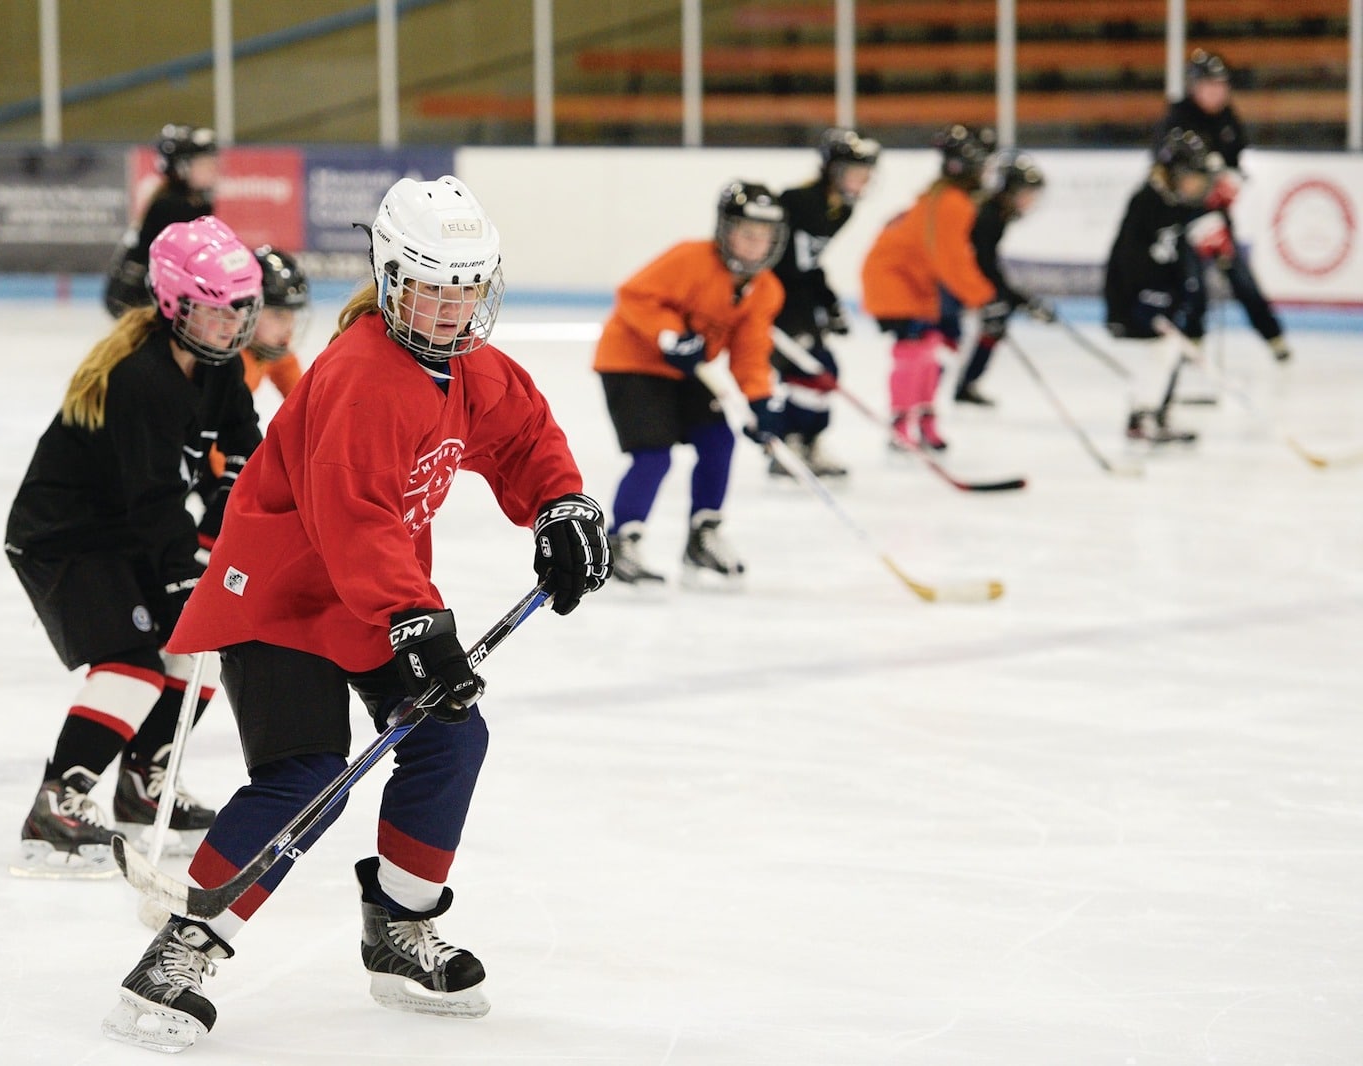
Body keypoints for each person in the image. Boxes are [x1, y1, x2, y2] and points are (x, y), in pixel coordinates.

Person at [100, 175, 610, 1050]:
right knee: (306, 777)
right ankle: (181, 950)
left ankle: (399, 929)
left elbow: (522, 434)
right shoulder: (361, 376)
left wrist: (560, 502)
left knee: (452, 736)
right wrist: (414, 616)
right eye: (429, 288)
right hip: (282, 597)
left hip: (370, 593)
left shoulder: (464, 365)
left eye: (465, 289)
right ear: (389, 277)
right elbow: (354, 518)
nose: (449, 309)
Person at [7, 216, 265, 878]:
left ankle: (142, 785)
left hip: (124, 531)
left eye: (240, 309)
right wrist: (185, 579)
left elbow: (245, 444)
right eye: (216, 311)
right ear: (176, 305)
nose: (232, 325)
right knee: (134, 663)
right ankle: (57, 803)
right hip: (66, 536)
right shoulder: (140, 378)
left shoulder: (217, 366)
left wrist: (232, 493)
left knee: (199, 651)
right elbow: (154, 503)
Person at [592, 181, 787, 589]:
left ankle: (704, 536)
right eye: (746, 233)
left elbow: (751, 352)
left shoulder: (766, 289)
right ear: (725, 229)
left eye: (763, 236)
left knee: (719, 440)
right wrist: (668, 334)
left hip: (689, 370)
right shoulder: (689, 259)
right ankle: (620, 541)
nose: (754, 245)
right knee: (654, 455)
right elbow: (635, 296)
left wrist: (759, 401)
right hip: (632, 362)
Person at [860, 125, 998, 451]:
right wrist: (982, 296)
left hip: (914, 286)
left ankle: (922, 417)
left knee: (936, 350)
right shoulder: (951, 202)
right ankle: (901, 422)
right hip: (897, 285)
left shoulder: (946, 198)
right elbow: (949, 259)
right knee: (915, 351)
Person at [1155, 49, 1290, 363]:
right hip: (1184, 217)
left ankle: (1274, 337)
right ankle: (1193, 341)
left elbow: (1237, 159)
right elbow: (1162, 172)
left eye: (1222, 86)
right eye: (1210, 85)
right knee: (1192, 282)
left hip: (1216, 213)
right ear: (1195, 86)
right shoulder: (1177, 118)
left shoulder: (1228, 117)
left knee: (1239, 276)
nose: (1217, 93)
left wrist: (1230, 181)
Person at [767, 127, 880, 479]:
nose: (861, 181)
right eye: (855, 173)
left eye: (866, 175)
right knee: (810, 367)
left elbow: (808, 264)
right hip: (773, 299)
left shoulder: (840, 210)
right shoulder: (796, 200)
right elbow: (774, 261)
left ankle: (805, 440)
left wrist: (828, 302)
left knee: (822, 370)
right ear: (833, 170)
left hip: (797, 299)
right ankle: (787, 445)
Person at [1104, 128, 1224, 445]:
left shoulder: (1178, 202)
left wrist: (1180, 292)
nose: (1198, 185)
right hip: (1133, 297)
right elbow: (1128, 258)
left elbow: (1179, 255)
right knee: (1161, 351)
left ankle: (1154, 414)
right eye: (1193, 177)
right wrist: (1145, 297)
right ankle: (1143, 416)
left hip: (1158, 296)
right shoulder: (1146, 200)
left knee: (1169, 352)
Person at [197, 245, 311, 547]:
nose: (288, 327)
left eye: (291, 316)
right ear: (249, 307)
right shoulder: (231, 362)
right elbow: (217, 434)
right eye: (277, 314)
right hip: (199, 448)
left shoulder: (268, 351)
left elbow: (304, 400)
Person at [948, 150, 1057, 407]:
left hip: (961, 277)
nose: (1029, 201)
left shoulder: (996, 213)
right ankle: (950, 390)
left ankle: (966, 384)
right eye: (1025, 193)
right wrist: (1016, 300)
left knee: (994, 323)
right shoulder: (987, 215)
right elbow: (982, 264)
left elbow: (988, 265)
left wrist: (1017, 300)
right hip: (949, 279)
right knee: (949, 333)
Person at [103, 124, 220, 318]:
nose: (213, 169)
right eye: (205, 163)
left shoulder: (194, 202)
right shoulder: (172, 206)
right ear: (182, 167)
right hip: (135, 300)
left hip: (145, 297)